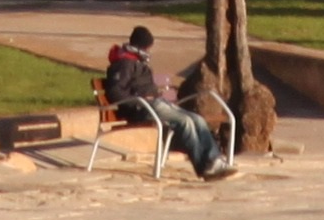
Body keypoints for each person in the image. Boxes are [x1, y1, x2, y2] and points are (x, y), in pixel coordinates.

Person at [96, 24, 235, 179]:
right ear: (142, 46)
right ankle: (204, 168)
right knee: (185, 122)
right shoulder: (124, 64)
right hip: (142, 109)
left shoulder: (138, 62)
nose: (149, 51)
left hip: (156, 104)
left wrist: (155, 95)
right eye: (148, 47)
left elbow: (144, 87)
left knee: (198, 119)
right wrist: (140, 101)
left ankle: (214, 160)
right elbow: (115, 92)